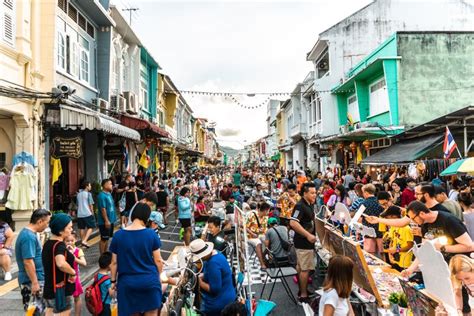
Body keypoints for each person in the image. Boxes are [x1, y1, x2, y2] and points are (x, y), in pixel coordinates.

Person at [110, 203, 164, 315]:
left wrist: (113, 281)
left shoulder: (118, 235)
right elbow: (158, 261)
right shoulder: (151, 234)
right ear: (146, 217)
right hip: (150, 282)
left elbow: (114, 263)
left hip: (127, 285)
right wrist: (159, 276)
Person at [16, 209, 51, 311]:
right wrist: (35, 282)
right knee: (35, 311)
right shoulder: (28, 237)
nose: (47, 226)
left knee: (36, 310)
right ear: (40, 221)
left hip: (34, 279)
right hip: (31, 281)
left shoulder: (30, 234)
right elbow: (28, 261)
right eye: (47, 222)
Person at [190, 239, 236, 316]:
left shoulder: (213, 263)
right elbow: (217, 274)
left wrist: (199, 281)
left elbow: (214, 289)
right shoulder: (217, 253)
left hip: (220, 302)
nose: (199, 260)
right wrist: (204, 275)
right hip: (228, 295)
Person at [42, 213, 76, 316]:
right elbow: (60, 263)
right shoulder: (59, 245)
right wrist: (73, 272)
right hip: (61, 291)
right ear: (61, 230)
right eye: (69, 228)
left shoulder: (47, 244)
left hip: (49, 289)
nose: (71, 230)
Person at [290, 182, 317, 304]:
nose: (314, 195)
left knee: (302, 267)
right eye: (312, 193)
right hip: (303, 242)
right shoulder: (300, 206)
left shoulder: (309, 204)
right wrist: (308, 235)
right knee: (305, 269)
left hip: (305, 242)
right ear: (304, 193)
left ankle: (303, 290)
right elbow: (293, 223)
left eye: (315, 192)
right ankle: (303, 295)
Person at [380, 206, 414, 271]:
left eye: (387, 218)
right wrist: (390, 254)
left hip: (404, 261)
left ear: (394, 216)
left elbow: (410, 246)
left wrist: (397, 250)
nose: (387, 221)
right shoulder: (393, 226)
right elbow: (391, 241)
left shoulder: (406, 229)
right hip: (395, 259)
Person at [65, 232, 87, 316]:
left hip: (75, 277)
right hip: (64, 277)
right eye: (67, 241)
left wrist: (74, 257)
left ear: (76, 240)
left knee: (77, 297)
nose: (70, 242)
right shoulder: (62, 250)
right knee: (65, 298)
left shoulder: (78, 251)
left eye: (72, 240)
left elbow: (84, 263)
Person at [361, 184, 384, 257]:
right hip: (380, 230)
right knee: (382, 253)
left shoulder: (364, 203)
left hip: (368, 230)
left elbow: (360, 218)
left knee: (370, 255)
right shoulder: (379, 202)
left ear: (366, 193)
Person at [246, 202, 270, 270]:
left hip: (260, 234)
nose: (268, 212)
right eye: (268, 210)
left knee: (268, 241)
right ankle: (262, 264)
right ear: (265, 210)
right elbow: (245, 227)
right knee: (258, 243)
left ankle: (265, 258)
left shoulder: (266, 218)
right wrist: (252, 234)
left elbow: (265, 230)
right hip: (250, 235)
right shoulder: (252, 215)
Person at [97, 179, 117, 255]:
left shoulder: (109, 194)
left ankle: (106, 254)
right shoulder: (101, 196)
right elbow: (103, 209)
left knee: (107, 238)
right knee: (104, 238)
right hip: (105, 222)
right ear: (105, 185)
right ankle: (102, 255)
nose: (112, 185)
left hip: (111, 220)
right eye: (110, 184)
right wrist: (106, 220)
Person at [76, 181, 96, 248]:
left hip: (80, 213)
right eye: (90, 185)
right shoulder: (88, 194)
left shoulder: (78, 194)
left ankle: (83, 242)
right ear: (86, 186)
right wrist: (92, 212)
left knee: (82, 228)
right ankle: (84, 240)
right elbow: (90, 205)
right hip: (87, 213)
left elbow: (77, 204)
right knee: (91, 227)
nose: (90, 187)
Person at [96, 251, 114, 316]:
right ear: (109, 265)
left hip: (97, 303)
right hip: (106, 305)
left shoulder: (97, 275)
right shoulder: (108, 280)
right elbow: (112, 294)